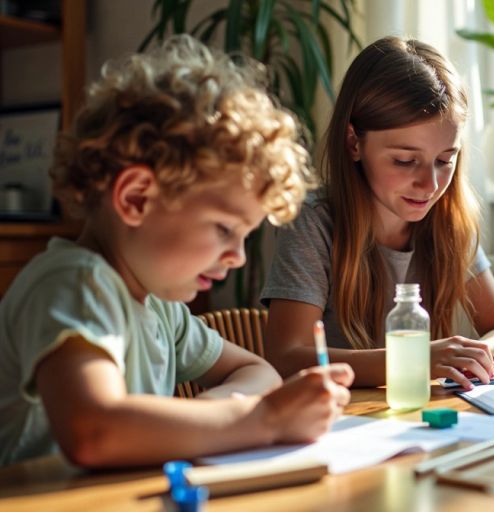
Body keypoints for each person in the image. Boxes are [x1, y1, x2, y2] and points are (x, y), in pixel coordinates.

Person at [0, 35, 354, 468]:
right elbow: (93, 432)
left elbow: (258, 371)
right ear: (135, 199)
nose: (238, 256)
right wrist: (263, 418)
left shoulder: (161, 308)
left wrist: (211, 415)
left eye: (244, 235)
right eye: (225, 229)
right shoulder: (74, 283)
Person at [262, 36, 494, 390]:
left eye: (445, 160)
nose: (430, 184)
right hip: (342, 423)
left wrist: (472, 354)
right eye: (405, 160)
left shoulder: (448, 220)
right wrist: (415, 359)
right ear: (354, 142)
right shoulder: (313, 224)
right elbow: (286, 357)